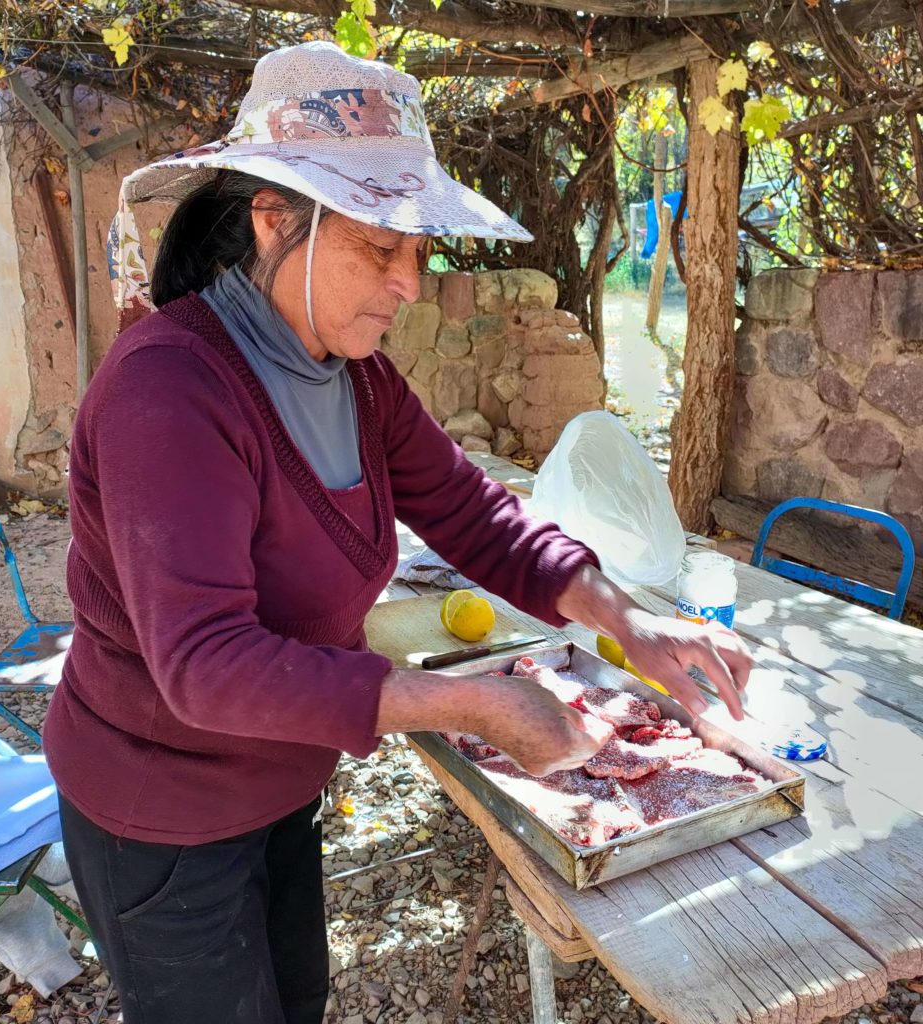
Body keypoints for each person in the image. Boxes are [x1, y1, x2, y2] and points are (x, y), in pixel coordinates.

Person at [43, 41, 752, 1024]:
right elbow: (204, 664)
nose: (410, 282)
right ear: (273, 222)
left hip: (278, 775)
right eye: (381, 247)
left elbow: (474, 512)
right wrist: (468, 707)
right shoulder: (167, 394)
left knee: (296, 1001)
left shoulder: (355, 376)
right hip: (160, 811)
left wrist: (631, 621)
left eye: (417, 249)